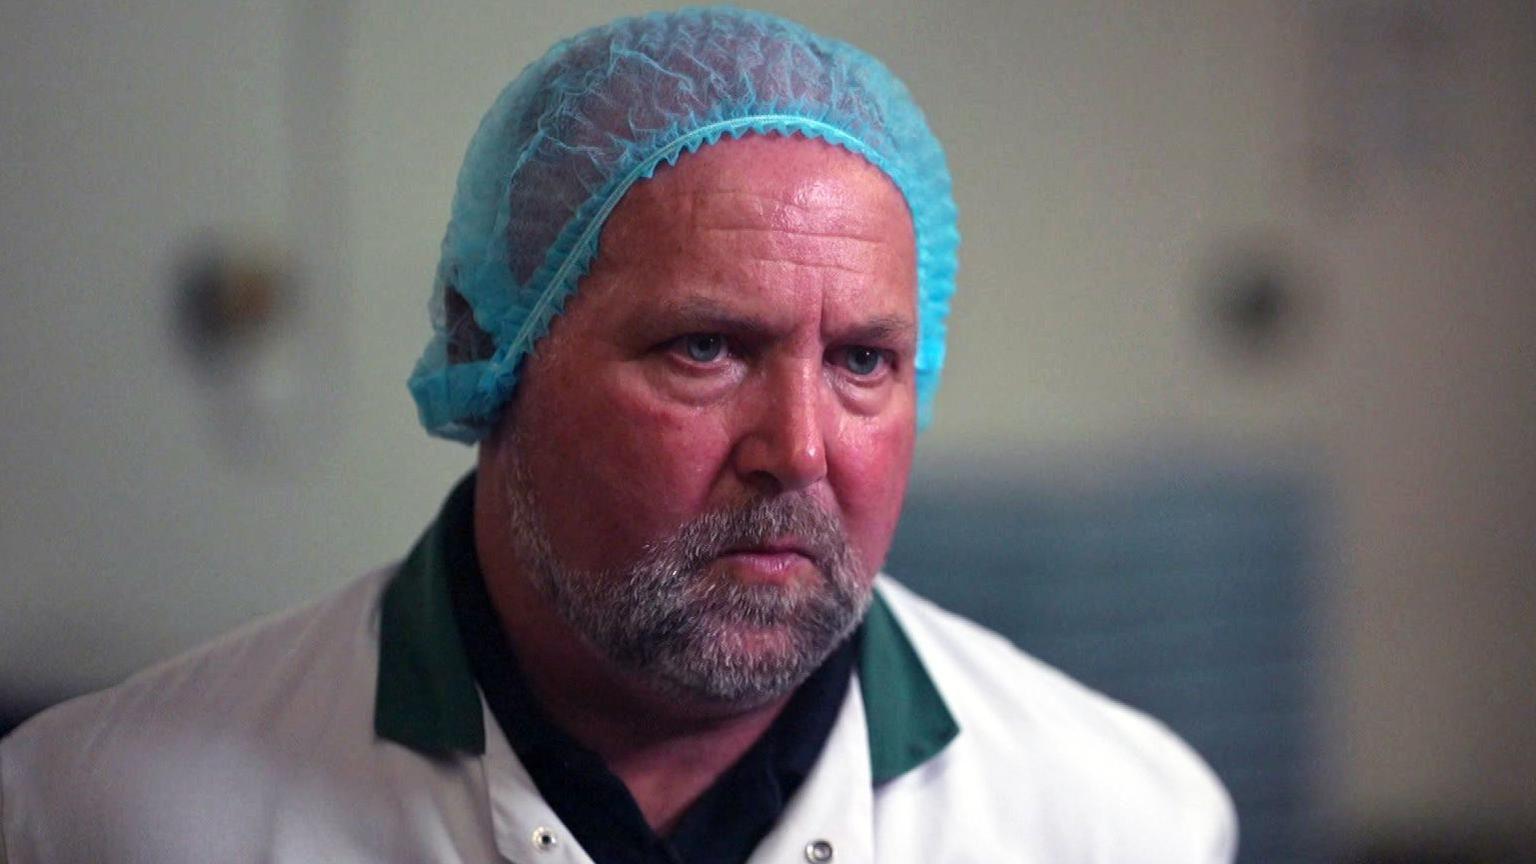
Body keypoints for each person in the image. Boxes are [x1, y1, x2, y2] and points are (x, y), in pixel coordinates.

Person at [0, 8, 1236, 863]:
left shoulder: (1120, 819)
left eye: (864, 361)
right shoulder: (106, 816)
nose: (799, 450)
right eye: (705, 348)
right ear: (492, 347)